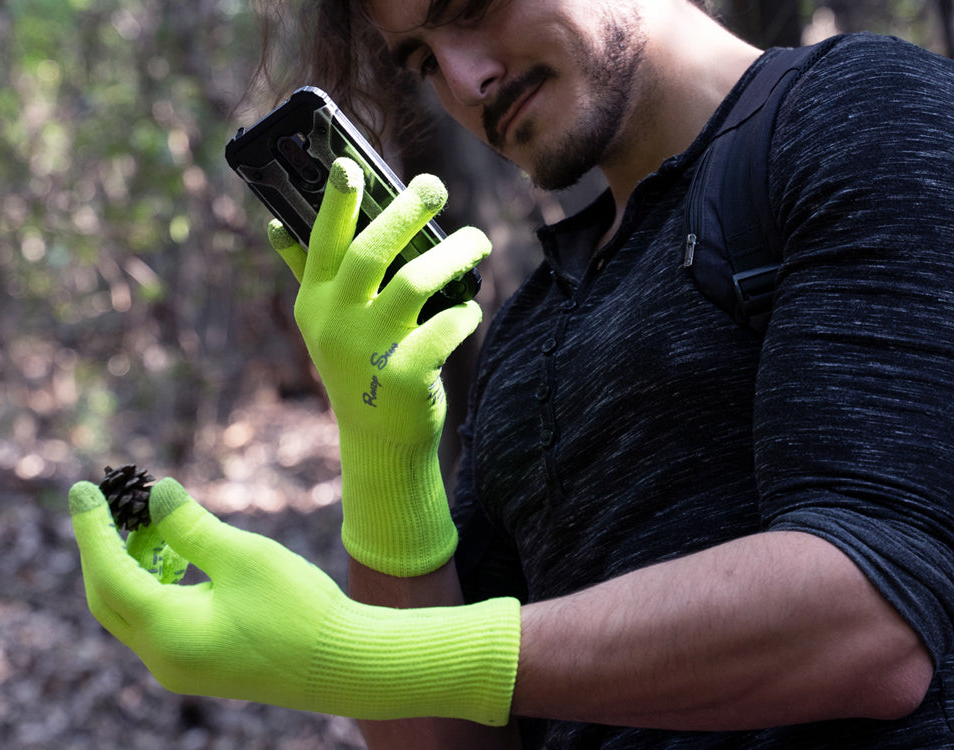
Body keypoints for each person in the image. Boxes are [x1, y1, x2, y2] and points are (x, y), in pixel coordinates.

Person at [67, 0, 954, 747]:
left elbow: (874, 617)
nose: (464, 81)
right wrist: (386, 458)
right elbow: (449, 736)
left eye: (471, 6)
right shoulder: (533, 322)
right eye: (420, 58)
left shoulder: (865, 110)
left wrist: (357, 653)